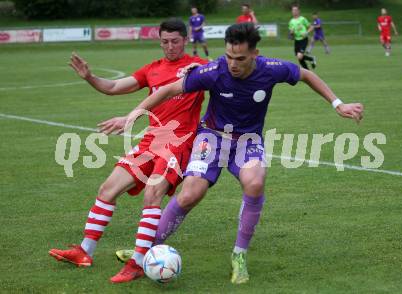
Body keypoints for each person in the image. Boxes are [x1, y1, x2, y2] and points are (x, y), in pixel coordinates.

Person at [106, 23, 364, 284]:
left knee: (255, 182)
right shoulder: (215, 71)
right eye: (229, 56)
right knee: (190, 194)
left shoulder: (271, 69)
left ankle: (239, 256)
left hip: (248, 141)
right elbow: (168, 89)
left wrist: (338, 104)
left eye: (240, 58)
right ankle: (145, 249)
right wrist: (132, 116)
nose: (232, 64)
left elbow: (306, 74)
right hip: (212, 137)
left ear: (255, 54)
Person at [48, 18, 207, 283]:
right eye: (165, 42)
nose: (170, 47)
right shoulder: (152, 70)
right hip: (150, 141)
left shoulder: (199, 67)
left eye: (175, 42)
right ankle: (84, 251)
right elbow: (113, 87)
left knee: (152, 194)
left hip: (178, 143)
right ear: (160, 41)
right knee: (107, 189)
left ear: (186, 40)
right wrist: (90, 77)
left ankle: (138, 262)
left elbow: (228, 77)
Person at [288, 5, 316, 69]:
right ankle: (310, 64)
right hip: (296, 40)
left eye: (295, 10)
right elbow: (291, 33)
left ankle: (309, 69)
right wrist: (291, 33)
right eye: (293, 10)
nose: (294, 11)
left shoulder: (302, 19)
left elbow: (311, 27)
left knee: (299, 56)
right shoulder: (291, 21)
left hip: (303, 39)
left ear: (298, 11)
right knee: (299, 58)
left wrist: (306, 32)